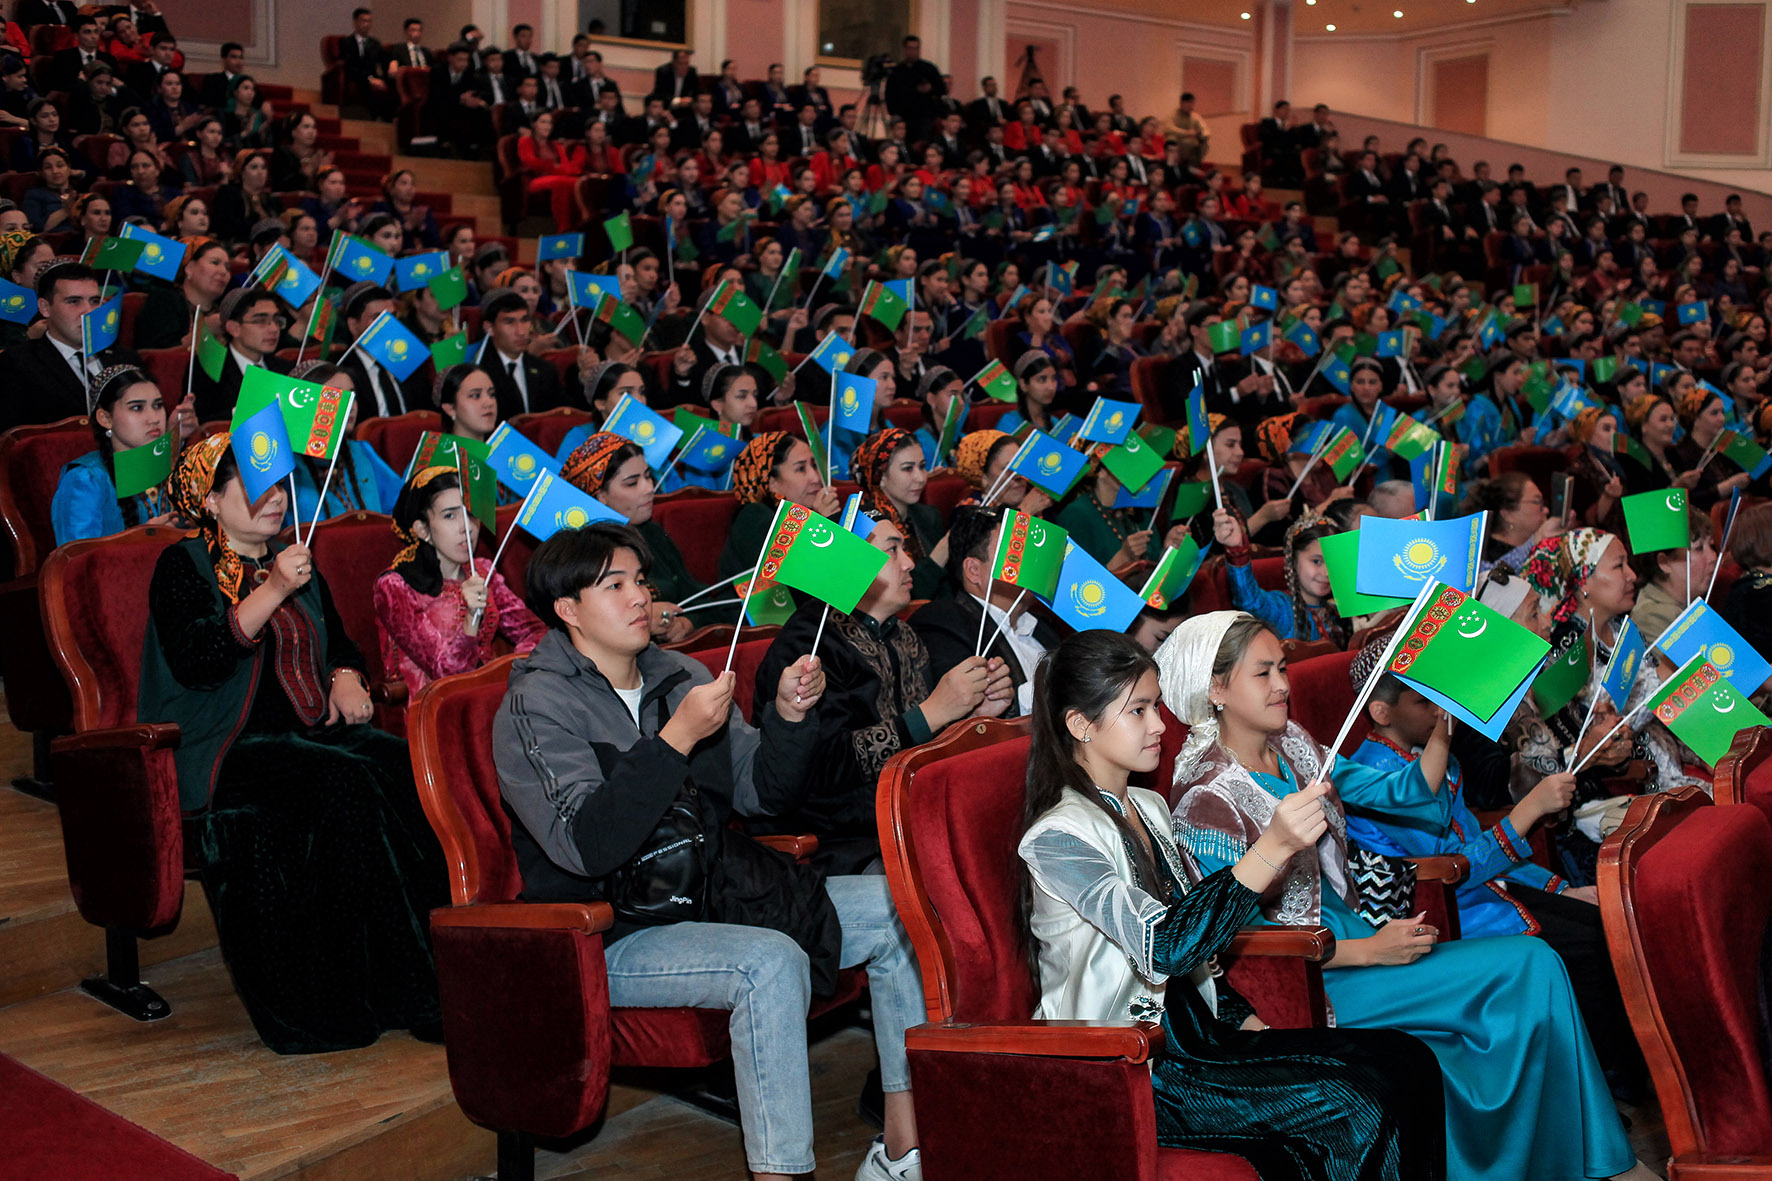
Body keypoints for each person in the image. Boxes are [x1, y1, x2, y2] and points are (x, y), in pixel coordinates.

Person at [492, 522, 926, 1181]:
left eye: (640, 579)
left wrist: (788, 717)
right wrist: (673, 741)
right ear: (568, 608)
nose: (639, 595)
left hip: (714, 890)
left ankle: (901, 1147)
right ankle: (781, 1174)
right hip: (607, 930)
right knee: (770, 961)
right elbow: (586, 844)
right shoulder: (536, 702)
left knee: (901, 906)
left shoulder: (680, 674)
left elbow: (762, 794)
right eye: (614, 584)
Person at [1159, 611, 1658, 1181]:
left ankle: (1582, 1156)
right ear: (1216, 689)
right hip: (1309, 972)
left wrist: (1445, 715)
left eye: (1282, 668)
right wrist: (1365, 951)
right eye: (1263, 673)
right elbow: (1234, 938)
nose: (1282, 685)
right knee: (1527, 969)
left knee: (1536, 965)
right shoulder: (1209, 799)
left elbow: (1410, 792)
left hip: (1356, 937)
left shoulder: (1294, 745)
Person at [1020, 629, 1446, 1178]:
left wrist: (1244, 1019)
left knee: (1406, 1059)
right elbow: (1164, 945)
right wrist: (1273, 846)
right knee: (1357, 1098)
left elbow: (1200, 933)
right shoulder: (1058, 836)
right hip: (1132, 1060)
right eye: (1139, 710)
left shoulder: (1147, 805)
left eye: (1156, 706)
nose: (1159, 725)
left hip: (1198, 1033)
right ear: (1080, 725)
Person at [137, 433, 448, 1054]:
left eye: (279, 485)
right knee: (345, 781)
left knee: (406, 767)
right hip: (226, 746)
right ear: (212, 499)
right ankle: (386, 994)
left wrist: (346, 676)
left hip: (306, 733)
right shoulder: (184, 565)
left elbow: (337, 643)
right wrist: (273, 590)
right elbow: (199, 660)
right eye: (255, 489)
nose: (276, 499)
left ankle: (431, 978)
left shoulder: (291, 556)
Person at [1342, 639, 1645, 1092]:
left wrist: (1558, 888)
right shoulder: (1379, 778)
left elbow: (1477, 843)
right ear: (1382, 712)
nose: (1440, 713)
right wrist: (1528, 812)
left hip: (1488, 890)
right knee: (1589, 944)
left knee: (1605, 918)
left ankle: (1623, 1080)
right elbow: (1458, 866)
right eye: (1425, 701)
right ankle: (1601, 1088)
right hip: (1446, 910)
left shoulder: (1433, 757)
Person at [753, 512, 1012, 874]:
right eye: (892, 551)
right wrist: (933, 712)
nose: (909, 563)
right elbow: (820, 771)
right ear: (851, 564)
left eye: (905, 548)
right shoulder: (806, 647)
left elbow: (927, 743)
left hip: (917, 812)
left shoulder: (902, 634)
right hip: (846, 843)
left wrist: (972, 713)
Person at [373, 465, 543, 697]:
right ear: (422, 529)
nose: (467, 528)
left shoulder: (482, 570)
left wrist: (514, 672)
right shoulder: (396, 586)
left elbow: (535, 631)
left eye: (471, 514)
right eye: (450, 515)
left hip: (491, 694)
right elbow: (446, 672)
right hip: (433, 707)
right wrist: (472, 617)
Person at [560, 431, 730, 639]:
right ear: (599, 496)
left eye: (648, 476)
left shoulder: (652, 533)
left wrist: (687, 623)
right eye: (632, 483)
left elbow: (700, 600)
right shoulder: (577, 556)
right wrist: (642, 617)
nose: (649, 488)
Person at [911, 505, 1061, 718]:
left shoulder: (1043, 623)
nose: (1032, 563)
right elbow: (971, 716)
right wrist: (1066, 685)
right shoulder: (943, 620)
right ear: (974, 571)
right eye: (1016, 551)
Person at [0, 260, 142, 432]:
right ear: (45, 308)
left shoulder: (125, 358)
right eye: (74, 301)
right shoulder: (17, 364)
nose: (88, 311)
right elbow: (14, 442)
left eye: (94, 301)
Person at [51, 364, 177, 543]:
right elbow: (77, 563)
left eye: (158, 405)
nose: (154, 418)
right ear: (105, 418)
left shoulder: (167, 466)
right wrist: (142, 539)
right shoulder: (86, 480)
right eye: (137, 408)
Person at [1212, 510, 1349, 647]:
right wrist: (1237, 551)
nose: (1327, 572)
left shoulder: (1338, 609)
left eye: (1333, 563)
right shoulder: (1282, 609)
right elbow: (1250, 600)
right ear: (1293, 560)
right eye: (1316, 561)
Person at [284, 361, 403, 519]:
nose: (350, 405)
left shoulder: (361, 451)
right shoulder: (286, 464)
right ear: (306, 404)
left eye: (352, 396)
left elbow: (399, 504)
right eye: (336, 396)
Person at [719, 431, 842, 580]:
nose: (815, 477)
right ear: (772, 483)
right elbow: (796, 581)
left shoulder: (805, 514)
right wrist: (821, 525)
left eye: (815, 466)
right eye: (801, 469)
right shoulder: (753, 518)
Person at [852, 427, 947, 600]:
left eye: (922, 466)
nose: (920, 478)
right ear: (881, 476)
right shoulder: (865, 525)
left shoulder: (929, 515)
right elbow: (890, 597)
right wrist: (938, 557)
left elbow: (947, 590)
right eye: (907, 469)